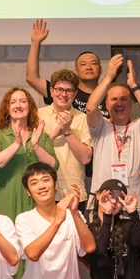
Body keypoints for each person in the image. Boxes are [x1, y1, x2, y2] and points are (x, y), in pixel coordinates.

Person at [85, 55, 140, 226]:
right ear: (106, 104)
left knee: (134, 252)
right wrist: (109, 76)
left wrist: (134, 86)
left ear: (131, 103)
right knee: (101, 251)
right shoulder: (100, 127)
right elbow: (90, 107)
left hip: (134, 206)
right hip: (102, 204)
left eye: (124, 99)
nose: (119, 103)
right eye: (113, 99)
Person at [0, 87, 57, 220]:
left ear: (29, 107)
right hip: (5, 199)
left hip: (36, 201)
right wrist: (16, 144)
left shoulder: (42, 136)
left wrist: (36, 146)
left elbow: (53, 166)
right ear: (7, 108)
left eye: (23, 101)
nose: (18, 105)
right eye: (13, 102)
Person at [35, 69, 93, 200]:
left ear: (75, 93)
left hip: (74, 191)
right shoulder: (37, 115)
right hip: (42, 189)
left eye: (69, 90)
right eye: (59, 89)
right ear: (51, 91)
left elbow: (86, 158)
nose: (64, 94)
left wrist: (67, 131)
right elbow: (30, 151)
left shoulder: (83, 118)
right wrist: (54, 134)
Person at [26, 18, 103, 114]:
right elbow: (32, 78)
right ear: (76, 71)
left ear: (100, 70)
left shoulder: (110, 95)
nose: (88, 67)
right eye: (83, 64)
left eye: (93, 63)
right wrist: (35, 43)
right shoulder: (64, 92)